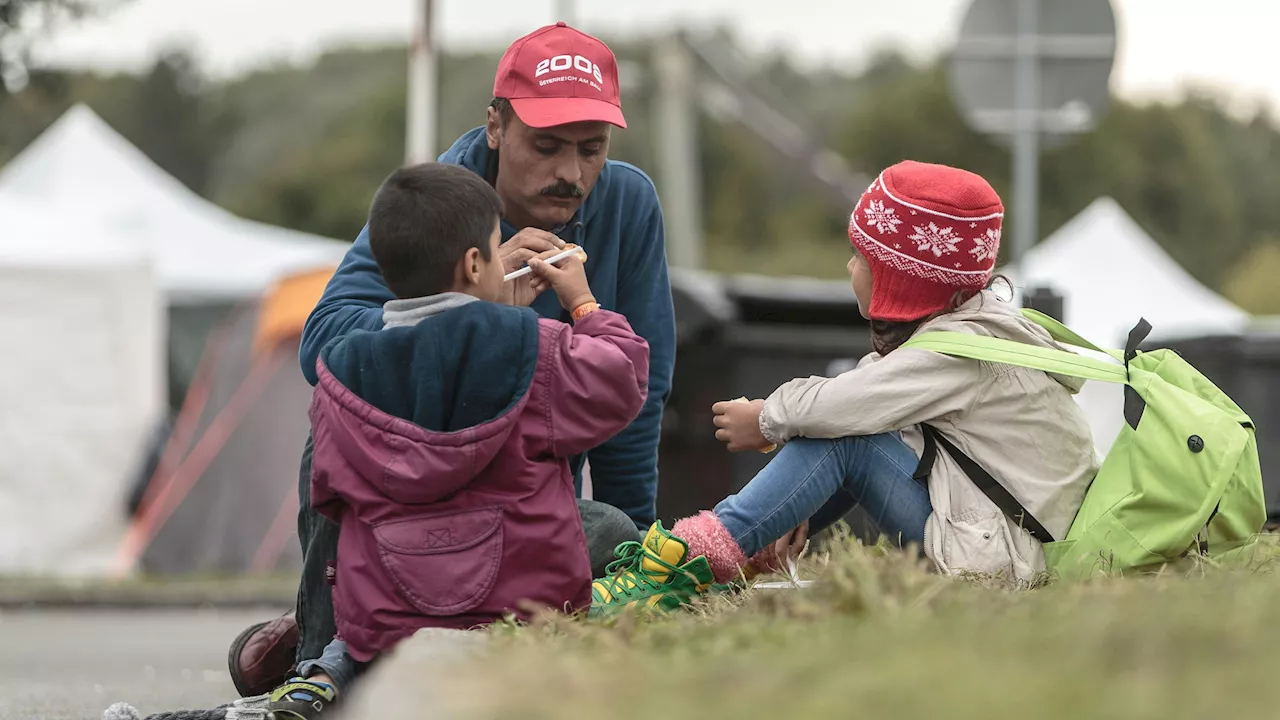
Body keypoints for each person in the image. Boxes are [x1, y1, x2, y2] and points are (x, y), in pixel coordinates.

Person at [228, 22, 675, 697]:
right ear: (495, 127)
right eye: (546, 146)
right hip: (405, 520)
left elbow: (640, 396)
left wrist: (635, 585)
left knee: (614, 532)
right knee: (332, 422)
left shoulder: (629, 202)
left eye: (593, 150)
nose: (571, 174)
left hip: (522, 523)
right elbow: (325, 344)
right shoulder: (439, 199)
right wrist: (479, 313)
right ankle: (318, 666)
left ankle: (372, 622)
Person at [589, 160, 1098, 614]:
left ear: (902, 278)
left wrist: (765, 418)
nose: (850, 267)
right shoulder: (974, 330)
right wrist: (797, 503)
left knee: (848, 436)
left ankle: (680, 566)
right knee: (846, 432)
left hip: (1003, 563)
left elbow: (843, 404)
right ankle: (741, 552)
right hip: (1009, 541)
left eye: (862, 256)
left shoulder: (955, 352)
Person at [267, 162, 649, 718]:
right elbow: (623, 379)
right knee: (613, 527)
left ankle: (323, 665)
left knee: (361, 580)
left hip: (387, 606)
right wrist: (583, 304)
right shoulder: (535, 347)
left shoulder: (343, 370)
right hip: (515, 599)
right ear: (475, 264)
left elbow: (328, 496)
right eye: (499, 247)